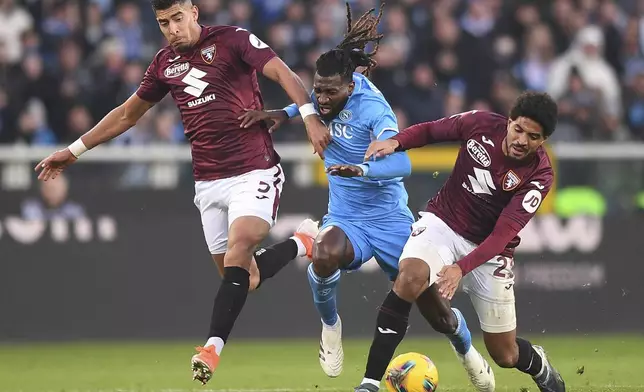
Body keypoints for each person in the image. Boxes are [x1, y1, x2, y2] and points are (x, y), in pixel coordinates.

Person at [33, 0, 330, 385]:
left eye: (177, 18)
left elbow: (284, 73)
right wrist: (73, 151)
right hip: (208, 183)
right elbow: (127, 114)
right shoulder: (163, 65)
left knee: (241, 249)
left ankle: (211, 349)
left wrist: (308, 118)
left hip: (254, 170)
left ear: (193, 11)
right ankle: (302, 242)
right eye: (163, 23)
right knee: (244, 278)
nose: (172, 29)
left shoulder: (233, 40)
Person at [239, 4, 493, 391]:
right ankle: (330, 326)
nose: (321, 99)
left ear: (351, 84)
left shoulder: (375, 110)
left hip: (389, 217)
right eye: (318, 90)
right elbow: (308, 101)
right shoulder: (326, 91)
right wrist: (284, 112)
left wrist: (364, 168)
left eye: (329, 92)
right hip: (346, 214)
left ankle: (465, 349)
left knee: (436, 313)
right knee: (324, 255)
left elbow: (404, 165)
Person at [355, 92, 566, 392]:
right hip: (443, 222)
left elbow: (501, 236)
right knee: (410, 278)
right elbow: (430, 130)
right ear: (509, 121)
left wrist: (460, 268)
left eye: (533, 137)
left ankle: (539, 365)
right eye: (518, 129)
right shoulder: (479, 123)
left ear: (543, 140)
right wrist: (396, 142)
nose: (522, 140)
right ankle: (370, 383)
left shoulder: (540, 175)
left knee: (505, 354)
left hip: (490, 252)